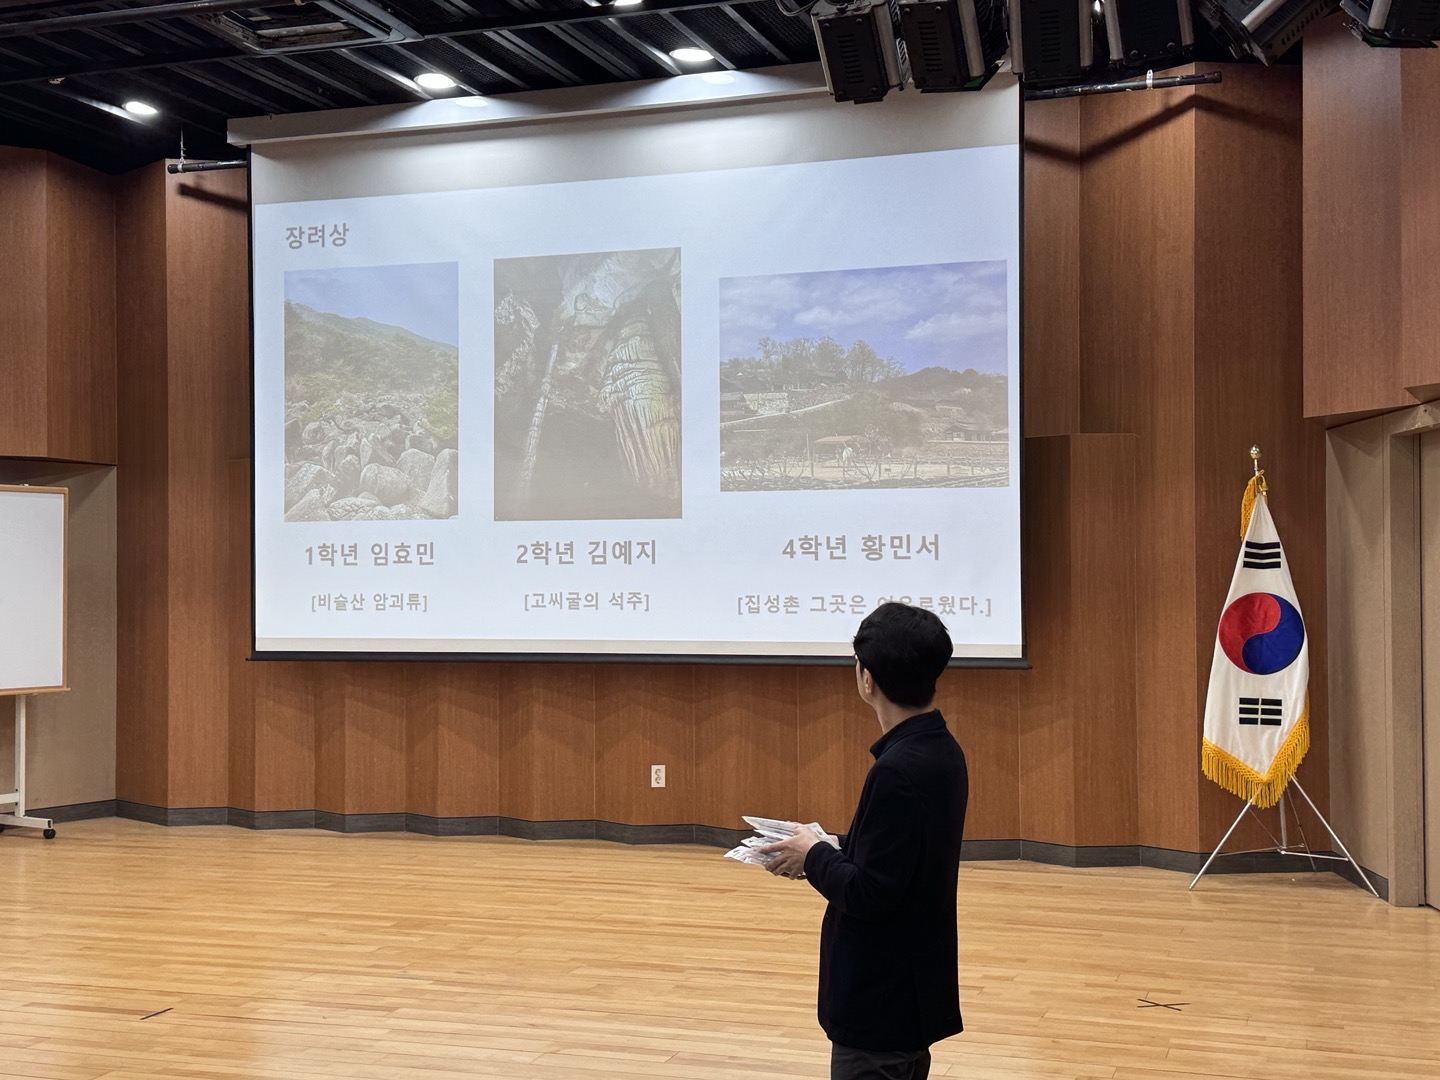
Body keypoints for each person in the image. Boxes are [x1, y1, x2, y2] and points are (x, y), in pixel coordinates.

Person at [762, 602, 969, 1080]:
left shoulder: (897, 770)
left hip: (881, 1001)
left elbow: (871, 892)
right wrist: (829, 846)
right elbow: (899, 857)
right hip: (910, 990)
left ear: (867, 679)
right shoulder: (942, 749)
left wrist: (813, 855)